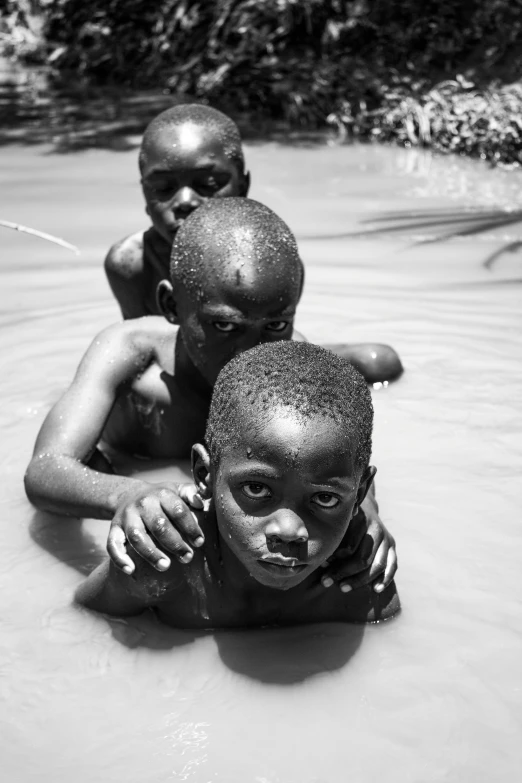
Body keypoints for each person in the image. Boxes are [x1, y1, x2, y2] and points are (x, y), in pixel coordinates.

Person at [25, 198, 397, 595]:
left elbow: (343, 462)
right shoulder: (130, 352)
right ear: (171, 306)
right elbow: (45, 470)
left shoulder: (290, 365)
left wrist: (366, 514)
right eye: (223, 325)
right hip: (127, 467)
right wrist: (129, 494)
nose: (252, 349)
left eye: (276, 324)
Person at [75, 341, 400, 628]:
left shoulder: (359, 576)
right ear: (204, 475)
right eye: (257, 489)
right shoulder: (165, 561)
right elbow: (83, 626)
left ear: (359, 495)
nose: (289, 531)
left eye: (326, 499)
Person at [104, 103, 402, 383]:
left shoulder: (269, 253)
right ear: (144, 190)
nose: (185, 201)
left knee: (378, 361)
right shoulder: (131, 263)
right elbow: (139, 350)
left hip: (259, 356)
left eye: (208, 184)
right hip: (188, 368)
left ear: (243, 185)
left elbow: (271, 336)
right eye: (163, 187)